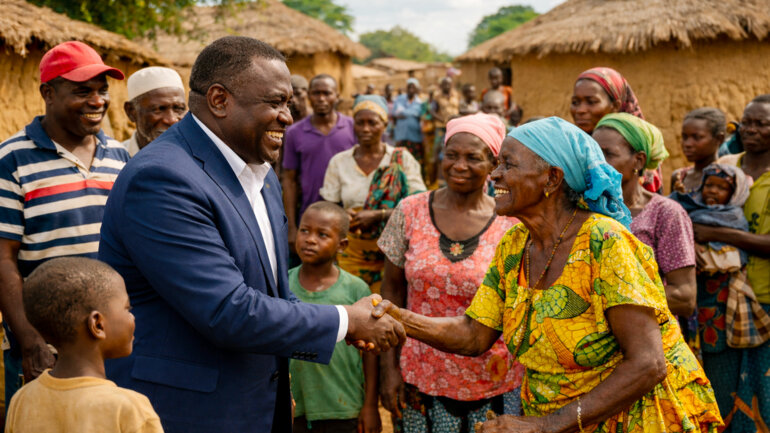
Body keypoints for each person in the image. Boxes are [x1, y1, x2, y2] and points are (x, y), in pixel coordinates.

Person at [97, 36, 405, 433]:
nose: (288, 117)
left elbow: (271, 294)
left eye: (290, 103)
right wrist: (345, 321)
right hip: (188, 411)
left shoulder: (258, 172)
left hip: (255, 400)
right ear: (220, 100)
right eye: (275, 102)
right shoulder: (162, 179)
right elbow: (227, 310)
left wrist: (324, 336)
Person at [373, 117, 723, 433]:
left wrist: (545, 425)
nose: (494, 176)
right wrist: (395, 317)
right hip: (560, 420)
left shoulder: (605, 242)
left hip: (634, 419)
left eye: (507, 165)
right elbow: (472, 334)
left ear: (552, 178)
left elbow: (647, 364)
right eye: (497, 164)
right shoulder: (515, 244)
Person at [0, 40, 129, 407]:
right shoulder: (11, 160)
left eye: (102, 91)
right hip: (46, 341)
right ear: (48, 93)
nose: (97, 101)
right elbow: (3, 259)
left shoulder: (119, 156)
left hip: (108, 339)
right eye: (82, 91)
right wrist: (29, 340)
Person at [378, 113, 524, 433]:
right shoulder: (409, 211)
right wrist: (389, 370)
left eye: (473, 157)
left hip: (495, 379)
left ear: (493, 164)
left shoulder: (512, 222)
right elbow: (390, 292)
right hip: (419, 375)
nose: (459, 166)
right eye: (452, 155)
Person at [6, 257, 163, 433]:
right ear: (97, 324)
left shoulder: (23, 399)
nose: (132, 317)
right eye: (128, 308)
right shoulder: (129, 408)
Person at [696, 94, 770, 432]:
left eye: (761, 123)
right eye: (746, 122)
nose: (751, 130)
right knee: (720, 388)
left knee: (762, 391)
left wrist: (715, 231)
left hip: (765, 298)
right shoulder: (727, 166)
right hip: (719, 297)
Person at [671, 164, 754, 423]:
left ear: (735, 193)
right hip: (691, 306)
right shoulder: (685, 211)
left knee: (720, 372)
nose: (713, 192)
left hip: (720, 307)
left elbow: (732, 259)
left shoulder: (734, 218)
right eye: (709, 185)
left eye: (722, 188)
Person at [593, 113, 696, 320]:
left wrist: (611, 299)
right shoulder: (583, 208)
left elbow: (684, 296)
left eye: (608, 154)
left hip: (647, 335)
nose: (597, 163)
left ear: (638, 160)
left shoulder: (665, 214)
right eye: (594, 153)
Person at [320, 95, 426, 294]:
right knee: (351, 301)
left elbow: (419, 206)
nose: (366, 129)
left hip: (393, 254)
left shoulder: (401, 159)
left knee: (384, 305)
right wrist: (343, 215)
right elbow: (329, 207)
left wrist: (379, 215)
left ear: (385, 124)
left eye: (373, 123)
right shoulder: (340, 162)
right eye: (360, 123)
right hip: (352, 251)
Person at [289, 202, 380, 433]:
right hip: (291, 406)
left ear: (342, 245)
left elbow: (370, 355)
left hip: (342, 405)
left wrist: (370, 405)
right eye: (304, 230)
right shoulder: (282, 283)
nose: (310, 239)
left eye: (322, 234)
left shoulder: (355, 289)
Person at [282, 74, 356, 251]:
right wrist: (291, 227)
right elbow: (289, 180)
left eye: (327, 93)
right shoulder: (294, 133)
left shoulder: (352, 127)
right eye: (316, 93)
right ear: (309, 96)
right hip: (310, 217)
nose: (321, 99)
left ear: (337, 96)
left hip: (350, 219)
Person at [570, 66, 661, 193]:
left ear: (616, 105)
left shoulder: (635, 146)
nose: (580, 110)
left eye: (591, 102)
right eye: (575, 102)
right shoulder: (569, 148)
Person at [122, 66, 186, 156]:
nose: (172, 120)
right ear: (131, 112)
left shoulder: (201, 158)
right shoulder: (116, 160)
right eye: (158, 109)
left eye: (178, 109)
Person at [671, 108, 727, 194]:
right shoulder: (679, 177)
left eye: (696, 137)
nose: (687, 144)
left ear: (719, 139)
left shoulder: (727, 178)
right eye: (684, 137)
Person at [429, 77, 460, 185]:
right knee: (437, 151)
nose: (447, 86)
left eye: (449, 84)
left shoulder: (456, 95)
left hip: (455, 126)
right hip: (441, 127)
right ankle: (432, 181)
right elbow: (432, 111)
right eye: (444, 84)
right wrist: (443, 120)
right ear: (441, 86)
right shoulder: (437, 97)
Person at [392, 78, 424, 167]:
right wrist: (411, 113)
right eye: (409, 87)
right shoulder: (399, 99)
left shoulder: (419, 102)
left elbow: (419, 113)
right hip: (400, 134)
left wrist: (403, 113)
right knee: (399, 160)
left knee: (414, 161)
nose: (411, 90)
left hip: (414, 136)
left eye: (413, 88)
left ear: (416, 89)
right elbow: (395, 113)